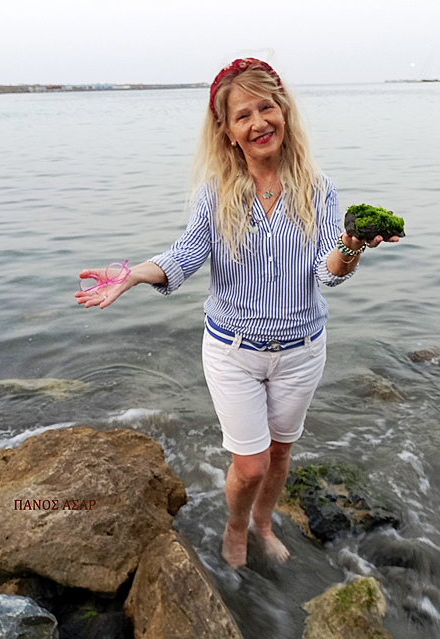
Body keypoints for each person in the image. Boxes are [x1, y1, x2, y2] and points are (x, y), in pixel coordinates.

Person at [74, 58, 400, 569]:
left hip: (302, 351)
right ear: (227, 131)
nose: (258, 122)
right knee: (249, 466)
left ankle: (263, 524)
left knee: (280, 454)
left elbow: (327, 271)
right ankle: (235, 526)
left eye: (266, 107)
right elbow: (185, 255)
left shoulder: (318, 188)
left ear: (283, 111)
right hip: (233, 351)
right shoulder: (217, 193)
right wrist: (133, 274)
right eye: (242, 115)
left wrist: (352, 245)